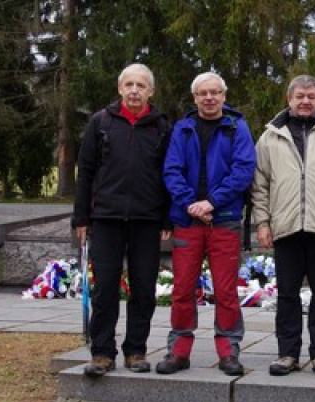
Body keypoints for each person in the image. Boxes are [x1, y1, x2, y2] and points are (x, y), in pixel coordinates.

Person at [73, 63, 171, 377]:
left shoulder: (162, 127)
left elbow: (169, 176)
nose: (134, 91)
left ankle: (136, 351)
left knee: (143, 288)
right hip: (106, 219)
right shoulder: (100, 122)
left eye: (140, 85)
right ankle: (102, 353)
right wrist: (81, 218)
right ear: (120, 89)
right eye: (128, 85)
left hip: (147, 220)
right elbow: (86, 172)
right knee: (104, 289)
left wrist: (168, 218)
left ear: (150, 91)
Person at [156, 72, 256, 377]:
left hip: (223, 221)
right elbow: (171, 170)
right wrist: (192, 205)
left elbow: (243, 170)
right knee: (182, 289)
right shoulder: (182, 129)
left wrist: (211, 202)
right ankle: (179, 351)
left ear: (224, 96)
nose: (209, 98)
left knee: (225, 291)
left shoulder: (237, 128)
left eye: (215, 92)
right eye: (203, 93)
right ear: (195, 97)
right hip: (188, 220)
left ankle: (228, 351)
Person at [251, 75, 315, 377]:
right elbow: (260, 185)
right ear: (289, 99)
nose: (305, 101)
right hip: (286, 226)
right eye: (300, 96)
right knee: (287, 295)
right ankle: (287, 354)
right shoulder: (270, 137)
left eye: (311, 96)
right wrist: (262, 222)